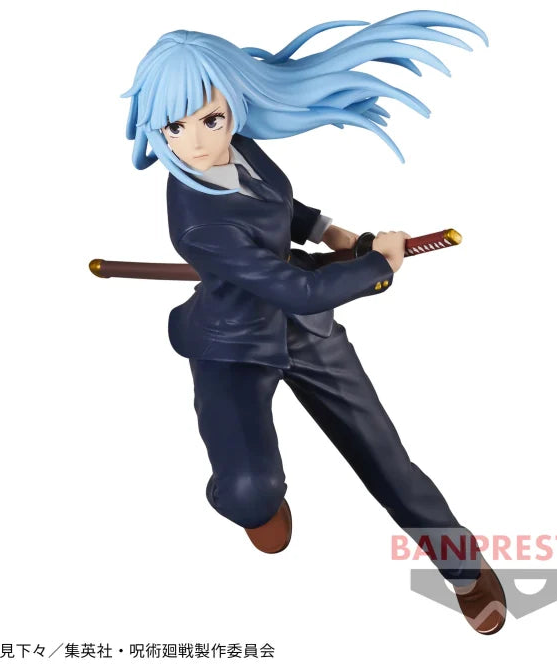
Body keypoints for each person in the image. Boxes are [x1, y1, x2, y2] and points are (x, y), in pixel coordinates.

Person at [121, 10, 505, 634]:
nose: (196, 143)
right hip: (234, 344)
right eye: (175, 127)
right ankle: (256, 507)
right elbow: (297, 289)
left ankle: (462, 568)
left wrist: (328, 230)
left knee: (388, 461)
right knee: (249, 488)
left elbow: (277, 206)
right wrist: (378, 265)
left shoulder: (239, 148)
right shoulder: (197, 223)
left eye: (210, 119)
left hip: (307, 330)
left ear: (233, 106)